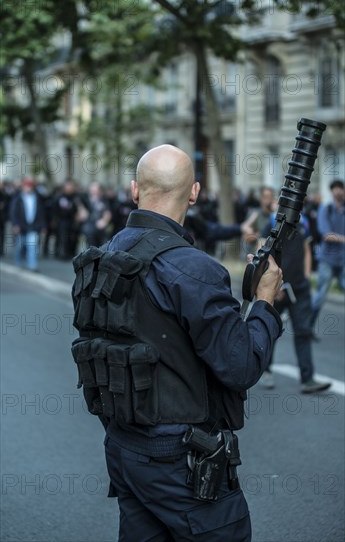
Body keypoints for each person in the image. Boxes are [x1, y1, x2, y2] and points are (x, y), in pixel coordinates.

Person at [73, 145, 283, 541]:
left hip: (122, 446)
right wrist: (265, 302)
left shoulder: (102, 258)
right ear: (194, 193)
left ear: (135, 190)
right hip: (178, 459)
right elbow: (241, 366)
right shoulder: (194, 269)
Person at [260, 213, 332, 393]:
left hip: (300, 289)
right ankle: (265, 370)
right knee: (271, 330)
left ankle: (307, 379)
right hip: (278, 289)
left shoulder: (303, 222)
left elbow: (307, 250)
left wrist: (306, 278)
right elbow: (262, 251)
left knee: (303, 331)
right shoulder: (271, 222)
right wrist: (272, 285)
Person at [311, 180, 345, 335]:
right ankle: (307, 326)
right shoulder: (326, 210)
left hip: (343, 260)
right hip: (327, 260)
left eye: (341, 189)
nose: (338, 192)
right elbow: (326, 234)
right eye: (335, 189)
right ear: (332, 192)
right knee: (320, 296)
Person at [10, 178, 46, 272]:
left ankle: (32, 265)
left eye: (30, 186)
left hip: (33, 226)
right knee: (20, 246)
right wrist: (15, 224)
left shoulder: (37, 198)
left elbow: (41, 213)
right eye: (26, 186)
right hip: (21, 226)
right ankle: (18, 262)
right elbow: (13, 213)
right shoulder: (18, 198)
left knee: (32, 245)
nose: (28, 188)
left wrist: (42, 226)